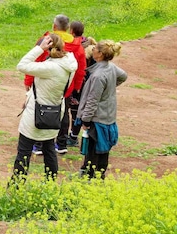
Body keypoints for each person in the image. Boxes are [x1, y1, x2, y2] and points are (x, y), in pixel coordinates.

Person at [11, 33, 78, 183]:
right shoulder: (69, 63)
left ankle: (16, 186)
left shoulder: (50, 67)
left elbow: (21, 65)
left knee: (24, 151)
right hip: (54, 111)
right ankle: (50, 184)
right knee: (49, 150)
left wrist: (38, 49)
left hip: (36, 113)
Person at [25, 14, 86, 155]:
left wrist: (28, 81)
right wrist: (76, 86)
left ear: (54, 26)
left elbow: (34, 61)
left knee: (40, 108)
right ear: (69, 28)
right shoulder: (77, 45)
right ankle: (62, 143)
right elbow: (81, 68)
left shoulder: (45, 41)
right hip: (66, 85)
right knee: (63, 112)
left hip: (44, 84)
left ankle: (39, 144)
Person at [76, 40, 126, 179]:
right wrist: (109, 89)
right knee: (103, 148)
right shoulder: (110, 67)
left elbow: (92, 100)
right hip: (108, 115)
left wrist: (85, 120)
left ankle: (93, 177)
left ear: (100, 54)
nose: (93, 50)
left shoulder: (98, 76)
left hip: (97, 117)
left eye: (95, 49)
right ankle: (97, 174)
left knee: (94, 148)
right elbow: (123, 76)